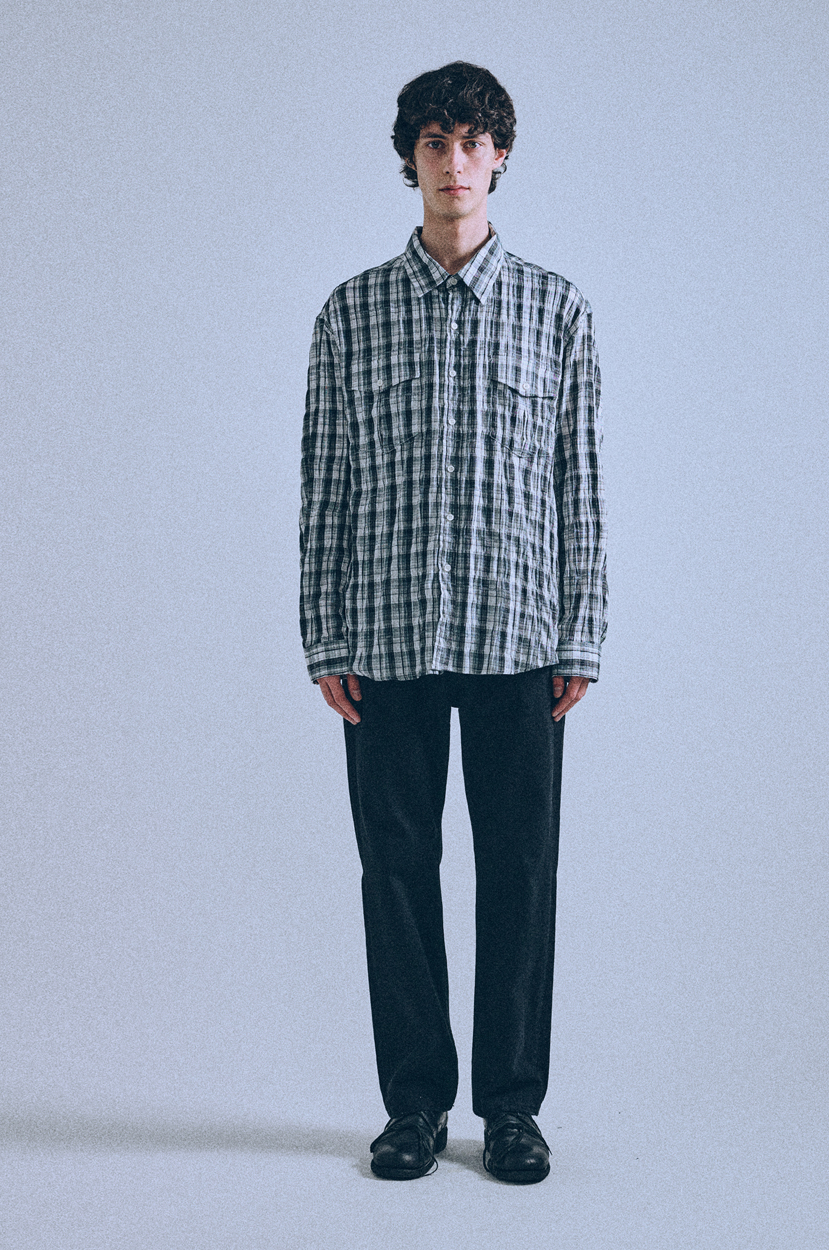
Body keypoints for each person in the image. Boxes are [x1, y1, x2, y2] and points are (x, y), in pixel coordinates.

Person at [299, 61, 606, 1184]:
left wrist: (582, 631)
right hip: (385, 641)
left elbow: (579, 482)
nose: (454, 161)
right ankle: (414, 1107)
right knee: (395, 871)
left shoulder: (556, 308)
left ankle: (513, 1109)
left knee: (520, 871)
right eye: (434, 141)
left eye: (472, 141)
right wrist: (324, 636)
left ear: (500, 155)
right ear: (411, 159)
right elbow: (325, 485)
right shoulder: (351, 312)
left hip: (519, 638)